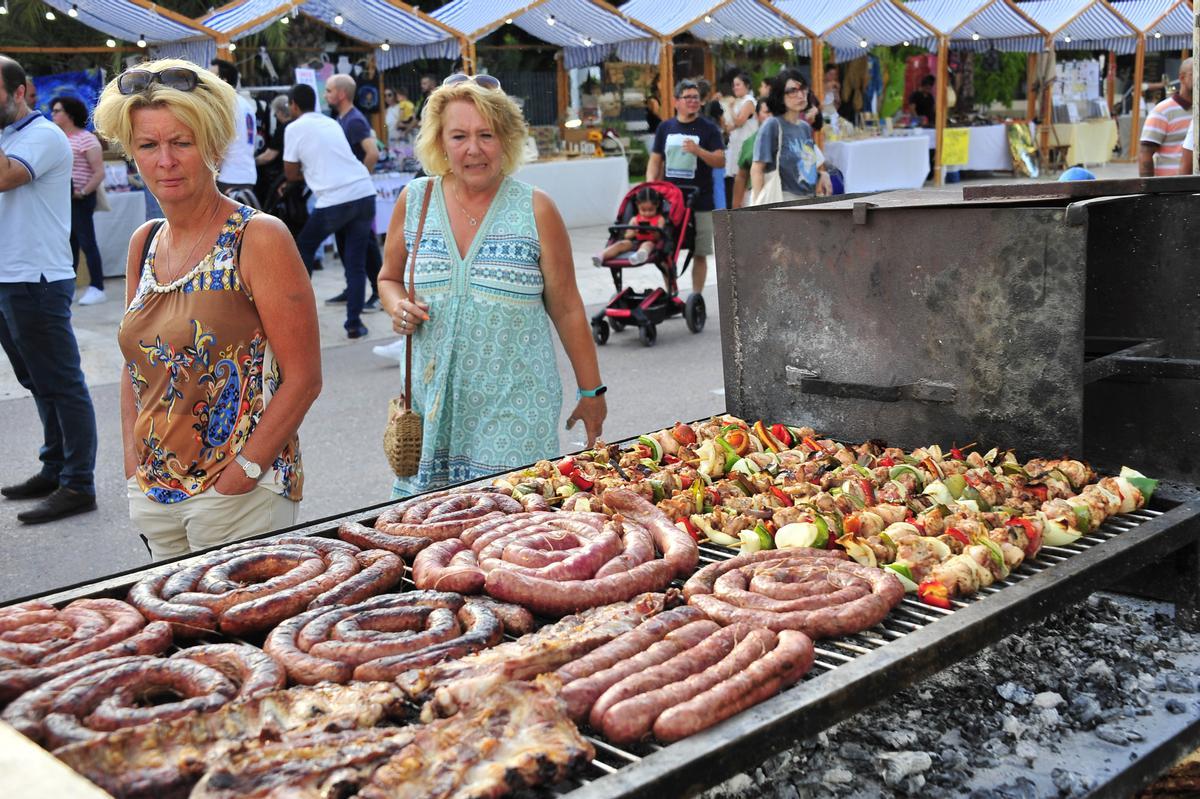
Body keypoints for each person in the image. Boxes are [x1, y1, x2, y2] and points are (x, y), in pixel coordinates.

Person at [92, 59, 321, 558]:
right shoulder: (144, 242)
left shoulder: (257, 237)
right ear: (131, 153)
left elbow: (304, 378)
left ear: (213, 147)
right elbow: (136, 370)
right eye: (148, 146)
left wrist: (244, 475)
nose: (165, 161)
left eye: (182, 142)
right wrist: (133, 468)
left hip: (239, 498)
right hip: (154, 495)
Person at [378, 73, 606, 497]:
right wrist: (396, 305)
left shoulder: (536, 209)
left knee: (510, 536)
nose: (473, 149)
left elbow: (568, 307)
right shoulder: (415, 201)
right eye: (459, 135)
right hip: (433, 409)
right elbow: (389, 277)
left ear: (506, 139)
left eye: (487, 134)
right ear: (440, 142)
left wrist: (592, 391)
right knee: (436, 544)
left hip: (514, 410)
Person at [0, 55, 99, 524]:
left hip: (35, 278)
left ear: (19, 92)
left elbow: (4, 177)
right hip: (9, 275)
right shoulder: (10, 136)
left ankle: (78, 482)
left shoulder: (42, 136)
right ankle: (54, 466)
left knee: (61, 382)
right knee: (36, 380)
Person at [283, 82, 376, 339]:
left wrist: (306, 174)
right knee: (355, 263)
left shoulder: (294, 128)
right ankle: (354, 324)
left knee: (304, 248)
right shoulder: (331, 122)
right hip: (364, 192)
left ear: (293, 105)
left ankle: (298, 319)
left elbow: (290, 172)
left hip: (334, 200)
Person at [646, 79, 724, 296]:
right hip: (671, 202)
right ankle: (671, 291)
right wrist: (651, 185)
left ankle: (696, 296)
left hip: (701, 201)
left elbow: (720, 160)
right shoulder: (665, 127)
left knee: (700, 252)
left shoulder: (709, 128)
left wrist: (699, 151)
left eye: (696, 97)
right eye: (687, 97)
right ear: (675, 101)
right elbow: (655, 160)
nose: (692, 101)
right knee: (667, 250)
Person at [325, 74, 382, 311]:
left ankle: (379, 292)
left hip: (355, 196)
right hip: (343, 196)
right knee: (346, 245)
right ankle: (353, 289)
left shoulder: (355, 120)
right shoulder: (341, 119)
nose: (326, 95)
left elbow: (373, 152)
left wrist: (361, 179)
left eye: (329, 90)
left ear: (341, 94)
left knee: (365, 247)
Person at [51, 95, 107, 305]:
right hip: (62, 199)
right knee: (68, 244)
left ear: (70, 114)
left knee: (86, 241)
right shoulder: (57, 137)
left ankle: (97, 286)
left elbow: (98, 172)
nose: (53, 114)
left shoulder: (86, 138)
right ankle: (70, 286)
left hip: (80, 198)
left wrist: (83, 192)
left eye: (57, 111)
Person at [752, 70, 832, 202]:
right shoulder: (772, 125)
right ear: (780, 95)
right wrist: (757, 210)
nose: (800, 95)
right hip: (782, 201)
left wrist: (821, 175)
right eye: (792, 91)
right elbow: (757, 169)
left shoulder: (805, 128)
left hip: (808, 201)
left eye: (803, 89)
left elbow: (804, 166)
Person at [209, 58, 258, 206]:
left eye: (211, 76)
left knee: (228, 227)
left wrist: (211, 174)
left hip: (228, 178)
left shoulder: (226, 105)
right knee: (239, 226)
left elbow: (221, 144)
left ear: (223, 80)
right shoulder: (245, 104)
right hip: (246, 175)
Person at [1138, 58, 1192, 177]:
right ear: (1182, 78)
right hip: (1170, 186)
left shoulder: (1196, 110)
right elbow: (1145, 153)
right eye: (1195, 73)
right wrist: (1149, 190)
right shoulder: (1162, 111)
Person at [594, 186, 666, 266]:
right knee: (621, 244)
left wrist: (653, 231)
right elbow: (627, 236)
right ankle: (601, 256)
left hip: (652, 242)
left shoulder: (660, 219)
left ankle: (639, 256)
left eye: (651, 210)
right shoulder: (634, 219)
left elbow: (660, 237)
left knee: (647, 245)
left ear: (657, 205)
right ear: (637, 206)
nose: (647, 213)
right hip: (635, 242)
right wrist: (634, 232)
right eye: (643, 210)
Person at [723, 72, 758, 209]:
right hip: (736, 143)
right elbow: (731, 126)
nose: (735, 88)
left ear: (746, 86)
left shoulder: (749, 101)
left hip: (746, 142)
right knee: (736, 176)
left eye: (738, 85)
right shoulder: (740, 102)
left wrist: (730, 108)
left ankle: (742, 205)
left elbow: (739, 120)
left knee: (743, 175)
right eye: (734, 85)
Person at [732, 98, 772, 209]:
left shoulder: (789, 138)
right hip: (756, 198)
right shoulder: (750, 143)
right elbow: (741, 176)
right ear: (757, 115)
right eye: (767, 112)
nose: (771, 116)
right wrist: (735, 207)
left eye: (774, 112)